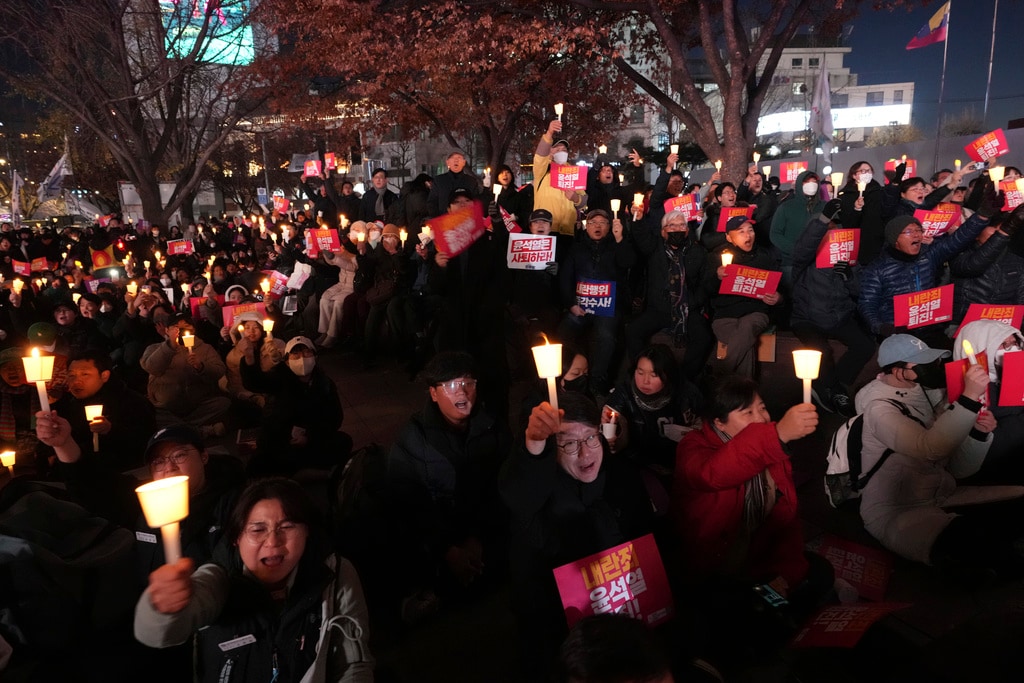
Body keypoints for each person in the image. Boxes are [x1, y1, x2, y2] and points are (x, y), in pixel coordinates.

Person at [134, 478, 374, 683]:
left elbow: (354, 663)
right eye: (258, 530)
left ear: (307, 531)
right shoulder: (219, 578)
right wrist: (161, 607)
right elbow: (161, 633)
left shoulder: (334, 574)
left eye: (287, 526)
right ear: (237, 538)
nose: (273, 542)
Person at [501, 391, 652, 679]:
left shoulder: (623, 477)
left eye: (591, 438)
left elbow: (647, 542)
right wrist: (531, 445)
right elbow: (518, 492)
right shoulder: (536, 501)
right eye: (569, 443)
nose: (585, 453)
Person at [855, 334, 1024, 578]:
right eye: (922, 365)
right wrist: (968, 399)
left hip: (942, 494)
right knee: (988, 554)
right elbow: (930, 448)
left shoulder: (927, 394)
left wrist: (977, 435)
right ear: (898, 371)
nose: (932, 369)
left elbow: (959, 469)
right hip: (898, 511)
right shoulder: (878, 407)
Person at [672, 375, 829, 614]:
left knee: (817, 573)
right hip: (712, 571)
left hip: (756, 565)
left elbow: (785, 521)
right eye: (747, 412)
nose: (762, 418)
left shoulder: (771, 454)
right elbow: (712, 473)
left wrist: (785, 577)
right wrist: (776, 436)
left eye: (762, 408)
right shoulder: (694, 448)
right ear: (719, 423)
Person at [387, 352, 510, 604]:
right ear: (433, 393)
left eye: (468, 383)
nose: (462, 393)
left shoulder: (493, 428)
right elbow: (407, 503)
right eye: (452, 385)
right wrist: (448, 550)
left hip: (482, 531)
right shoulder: (413, 439)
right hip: (439, 537)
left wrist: (476, 538)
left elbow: (505, 484)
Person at [858, 184, 998, 347]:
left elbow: (957, 240)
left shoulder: (928, 255)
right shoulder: (877, 269)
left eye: (919, 230)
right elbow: (867, 304)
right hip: (897, 333)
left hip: (930, 329)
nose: (917, 234)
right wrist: (882, 328)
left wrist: (982, 215)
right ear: (895, 239)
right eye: (910, 232)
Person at [790, 201, 875, 417]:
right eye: (826, 229)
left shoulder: (846, 257)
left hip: (838, 316)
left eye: (835, 229)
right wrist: (823, 220)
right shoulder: (805, 261)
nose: (831, 232)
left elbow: (858, 290)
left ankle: (835, 385)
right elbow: (804, 247)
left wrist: (848, 276)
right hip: (807, 318)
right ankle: (835, 391)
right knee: (821, 350)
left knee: (864, 345)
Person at [240, 336, 350, 475]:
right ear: (286, 361)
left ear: (315, 356)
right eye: (295, 354)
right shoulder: (279, 378)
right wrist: (249, 358)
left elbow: (335, 418)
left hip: (311, 439)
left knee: (343, 441)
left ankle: (305, 473)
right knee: (263, 463)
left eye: (306, 352)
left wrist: (309, 436)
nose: (302, 358)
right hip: (283, 440)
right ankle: (317, 473)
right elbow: (255, 382)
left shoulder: (324, 383)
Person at [557, 209, 636, 395]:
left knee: (607, 337)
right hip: (580, 305)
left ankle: (597, 379)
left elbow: (628, 262)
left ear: (609, 227)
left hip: (608, 306)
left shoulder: (616, 245)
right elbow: (565, 277)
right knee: (563, 332)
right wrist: (571, 304)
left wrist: (619, 239)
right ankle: (571, 372)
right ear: (586, 226)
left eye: (603, 222)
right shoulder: (576, 248)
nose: (597, 226)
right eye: (593, 222)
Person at [626, 209, 711, 378]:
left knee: (704, 336)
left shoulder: (698, 252)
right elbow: (641, 235)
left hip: (687, 308)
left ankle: (685, 380)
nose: (677, 229)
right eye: (672, 225)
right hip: (658, 309)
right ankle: (641, 374)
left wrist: (692, 302)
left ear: (687, 230)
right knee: (633, 331)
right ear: (663, 231)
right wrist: (639, 219)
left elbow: (705, 284)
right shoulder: (654, 248)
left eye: (681, 225)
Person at [39, 350, 155, 472]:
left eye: (85, 374)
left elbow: (145, 441)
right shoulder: (65, 405)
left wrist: (111, 430)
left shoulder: (132, 402)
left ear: (104, 376)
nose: (76, 381)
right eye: (72, 375)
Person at [702, 216, 781, 378]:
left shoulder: (765, 257)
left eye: (750, 230)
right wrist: (716, 276)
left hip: (756, 314)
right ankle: (745, 396)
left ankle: (719, 374)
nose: (748, 235)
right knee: (746, 343)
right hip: (725, 317)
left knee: (747, 326)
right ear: (729, 237)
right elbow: (706, 290)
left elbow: (780, 293)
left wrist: (778, 298)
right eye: (741, 232)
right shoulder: (716, 257)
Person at [605, 344, 701, 473]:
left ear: (668, 375)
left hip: (677, 462)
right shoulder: (624, 393)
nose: (645, 381)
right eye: (640, 372)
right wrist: (615, 439)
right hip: (636, 463)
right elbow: (612, 420)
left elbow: (703, 420)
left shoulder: (686, 393)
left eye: (654, 375)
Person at [951, 321, 1024, 484]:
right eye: (1003, 344)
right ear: (980, 346)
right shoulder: (968, 389)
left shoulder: (1016, 371)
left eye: (1014, 343)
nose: (1013, 349)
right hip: (1000, 472)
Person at [140, 310, 230, 435]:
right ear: (167, 330)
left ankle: (179, 428)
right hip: (165, 406)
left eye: (186, 326)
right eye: (176, 327)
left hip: (196, 404)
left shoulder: (205, 348)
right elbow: (151, 367)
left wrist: (201, 366)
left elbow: (219, 370)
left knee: (223, 404)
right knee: (150, 413)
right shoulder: (154, 348)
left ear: (193, 329)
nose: (181, 330)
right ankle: (199, 431)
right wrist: (170, 345)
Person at [532, 119, 586, 236]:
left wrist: (576, 198)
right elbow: (540, 156)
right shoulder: (543, 170)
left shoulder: (573, 172)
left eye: (564, 150)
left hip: (567, 232)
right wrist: (549, 133)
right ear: (550, 151)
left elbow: (584, 202)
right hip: (546, 230)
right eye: (557, 149)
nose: (561, 152)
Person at [427, 151, 481, 217]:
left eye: (459, 157)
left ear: (464, 162)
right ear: (448, 162)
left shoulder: (471, 181)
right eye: (452, 157)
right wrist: (437, 220)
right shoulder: (439, 180)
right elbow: (432, 203)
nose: (456, 160)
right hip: (444, 222)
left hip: (466, 222)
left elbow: (476, 202)